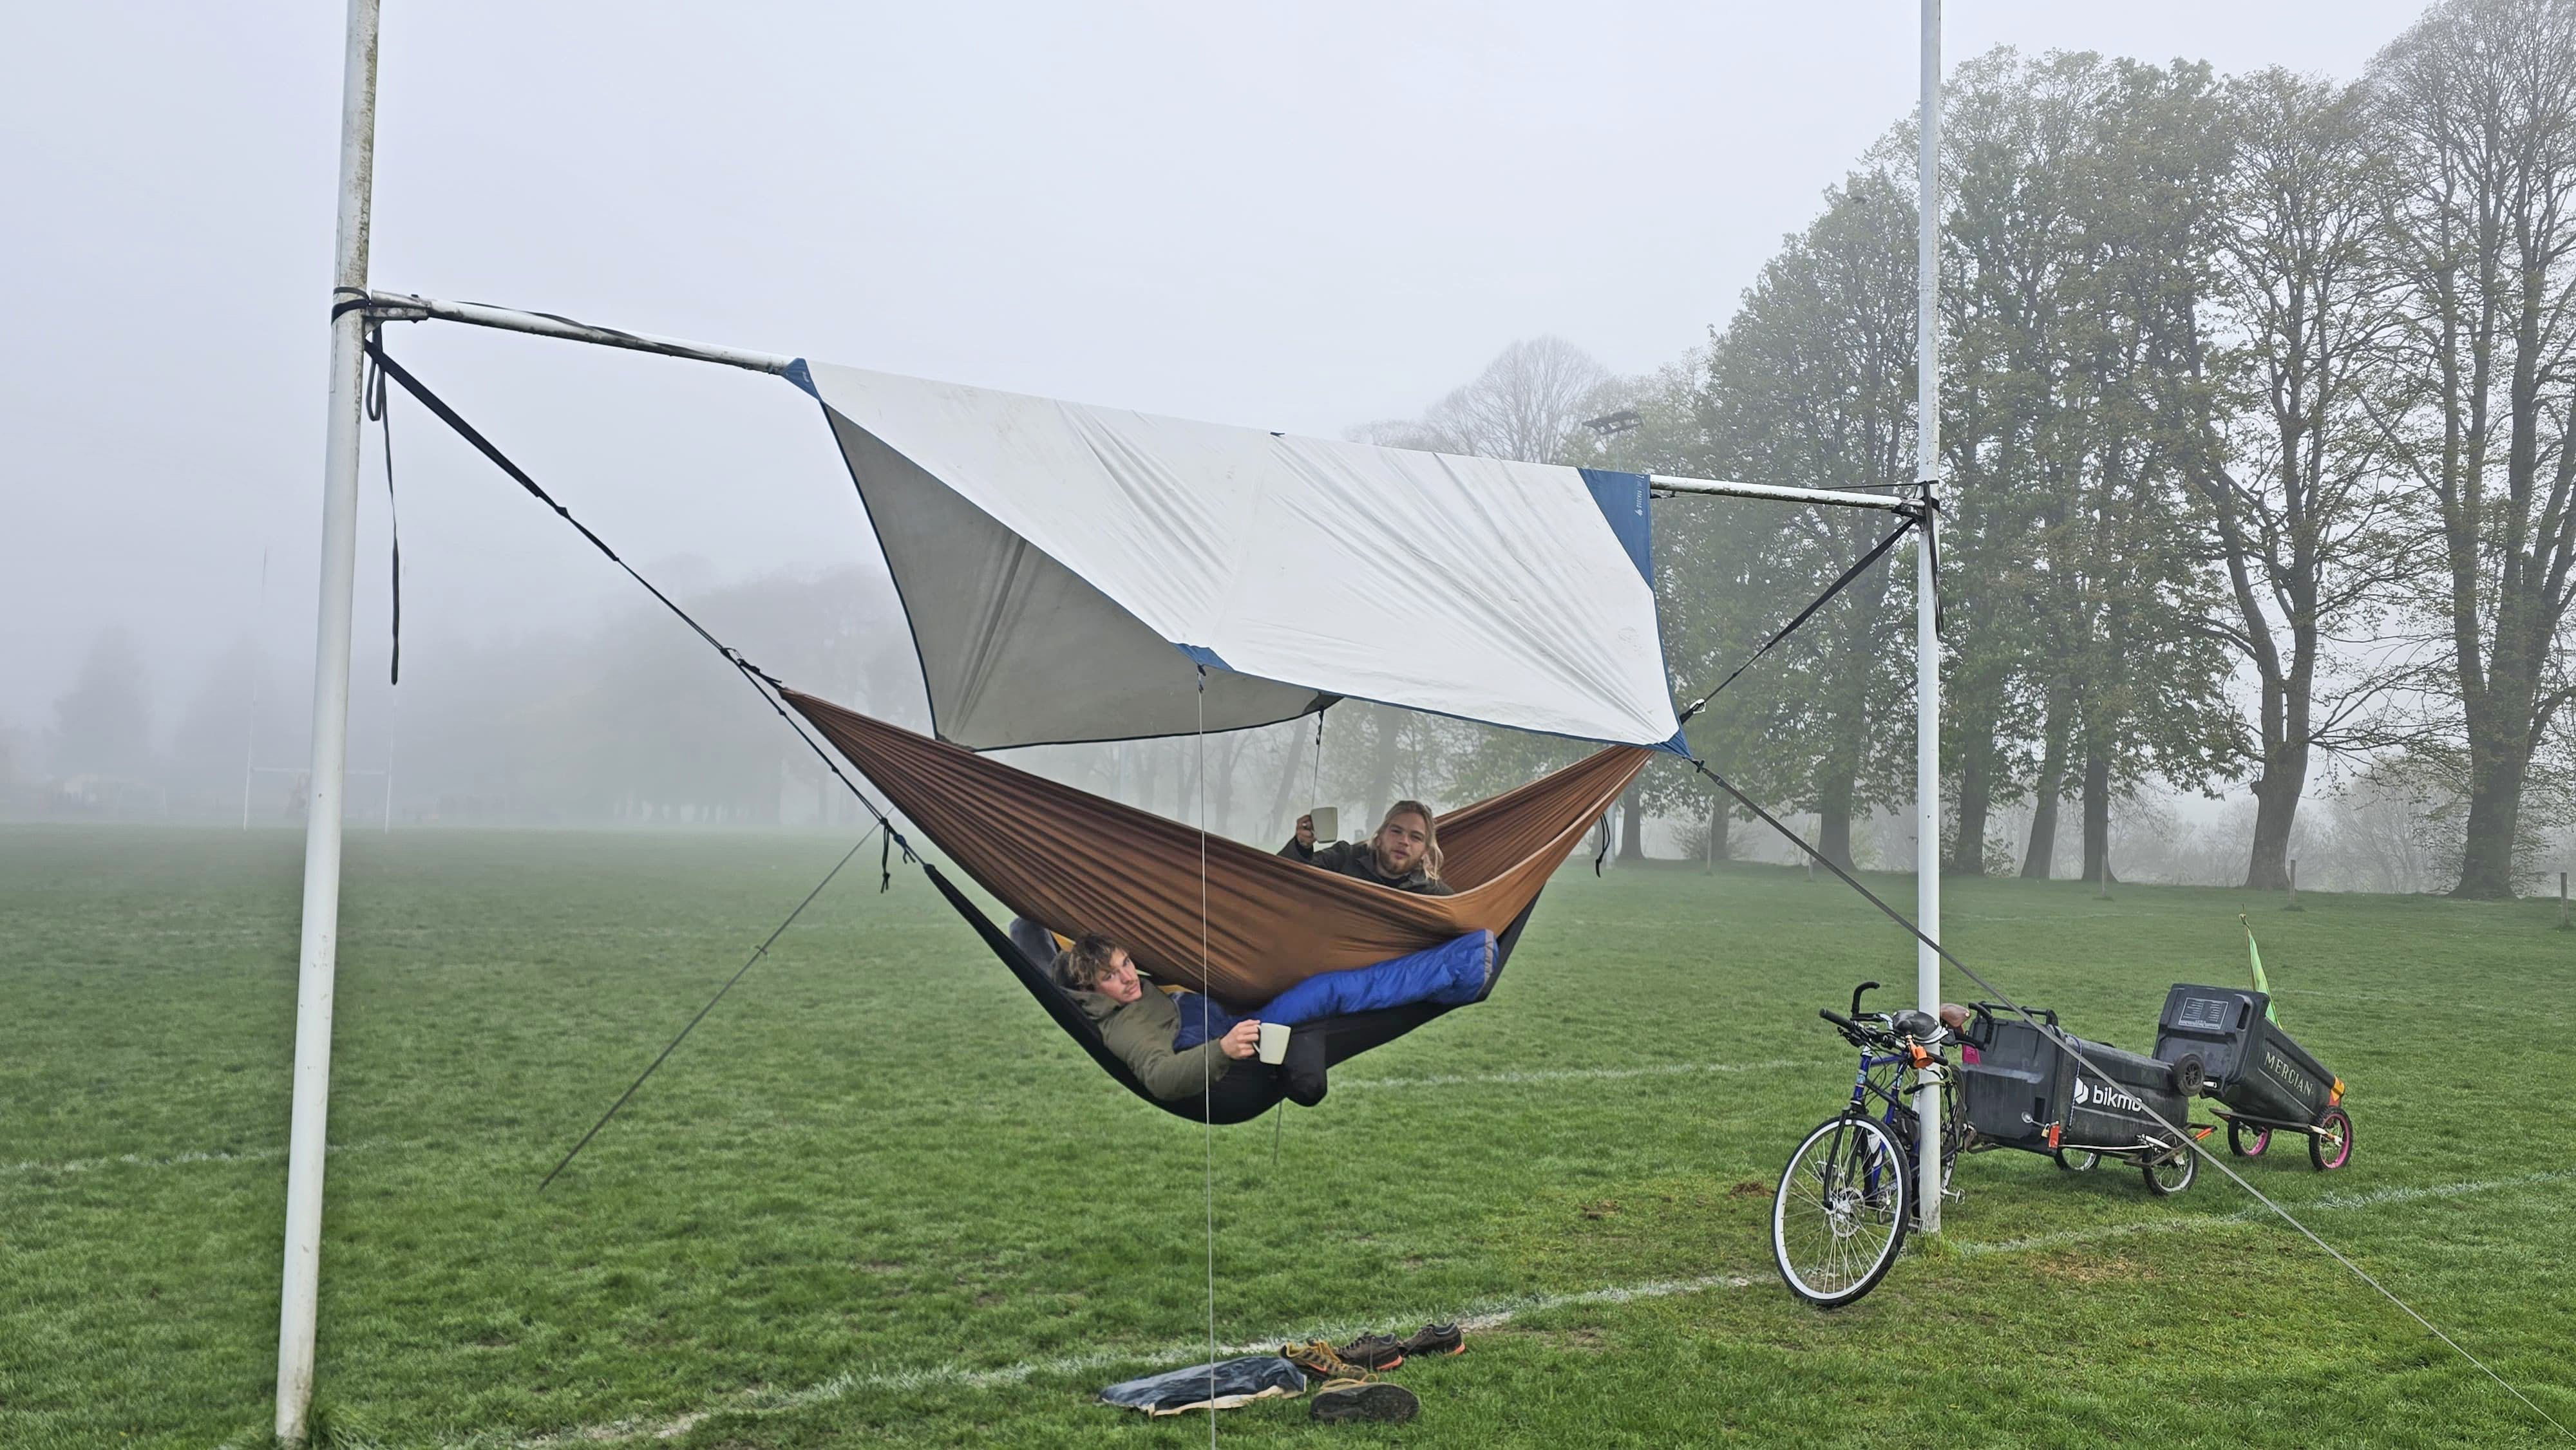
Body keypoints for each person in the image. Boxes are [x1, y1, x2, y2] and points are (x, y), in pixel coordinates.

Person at [1054, 934, 1262, 1100]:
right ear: (1091, 989)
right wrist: (1223, 1049)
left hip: (1214, 1014)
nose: (1128, 978)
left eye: (1126, 963)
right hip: (1219, 1041)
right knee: (1293, 1005)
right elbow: (1159, 1078)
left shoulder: (1126, 994)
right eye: (1110, 976)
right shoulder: (1125, 1026)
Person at [1282, 800, 1454, 896]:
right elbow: (1281, 879)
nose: (1404, 841)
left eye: (1415, 837)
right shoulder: (1343, 859)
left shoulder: (1434, 895)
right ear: (1379, 837)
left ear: (1425, 852)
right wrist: (1302, 846)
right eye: (1396, 831)